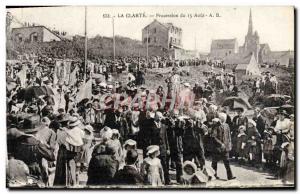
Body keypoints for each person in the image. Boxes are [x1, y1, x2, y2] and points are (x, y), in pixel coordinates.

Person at [211, 114, 236, 180]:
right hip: (217, 148)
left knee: (227, 162)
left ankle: (230, 176)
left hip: (225, 147)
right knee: (214, 162)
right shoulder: (216, 126)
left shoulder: (227, 125)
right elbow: (214, 137)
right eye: (222, 118)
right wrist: (220, 144)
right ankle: (213, 175)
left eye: (224, 118)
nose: (223, 119)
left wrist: (230, 143)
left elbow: (229, 136)